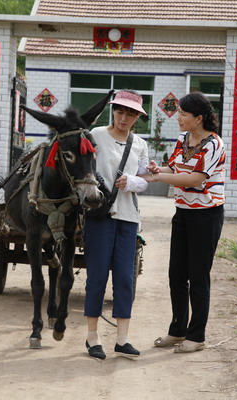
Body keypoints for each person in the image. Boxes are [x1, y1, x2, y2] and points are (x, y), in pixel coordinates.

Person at [144, 92, 226, 353]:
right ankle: (177, 330)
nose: (178, 118)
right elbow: (174, 168)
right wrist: (159, 171)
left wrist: (158, 180)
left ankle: (197, 336)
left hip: (206, 215)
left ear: (198, 118)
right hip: (183, 212)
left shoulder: (214, 144)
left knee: (198, 275)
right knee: (176, 274)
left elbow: (194, 179)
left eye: (183, 114)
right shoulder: (183, 139)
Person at [84, 90, 150, 360]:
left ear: (137, 117)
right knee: (97, 277)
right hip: (100, 216)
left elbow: (145, 180)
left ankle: (122, 339)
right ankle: (92, 338)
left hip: (128, 218)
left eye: (130, 113)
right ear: (113, 111)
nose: (124, 118)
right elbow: (83, 168)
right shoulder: (95, 136)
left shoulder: (140, 144)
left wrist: (131, 182)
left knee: (124, 278)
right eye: (120, 112)